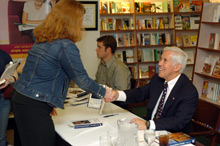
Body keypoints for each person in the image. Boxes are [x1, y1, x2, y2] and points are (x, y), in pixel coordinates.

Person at [11, 0, 112, 146]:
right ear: (71, 21)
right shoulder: (66, 46)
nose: (81, 26)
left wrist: (49, 102)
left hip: (21, 98)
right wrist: (105, 92)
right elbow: (82, 80)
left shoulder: (42, 39)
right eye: (79, 21)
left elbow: (36, 71)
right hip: (34, 104)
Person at [108, 46, 199, 133]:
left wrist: (148, 124)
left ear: (177, 67)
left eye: (165, 61)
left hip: (171, 135)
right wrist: (116, 94)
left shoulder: (189, 92)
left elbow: (178, 121)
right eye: (160, 59)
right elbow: (140, 93)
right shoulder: (157, 80)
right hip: (149, 130)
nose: (159, 63)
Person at [0, 49, 18, 146]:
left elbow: (14, 75)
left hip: (3, 100)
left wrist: (9, 80)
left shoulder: (4, 54)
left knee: (1, 137)